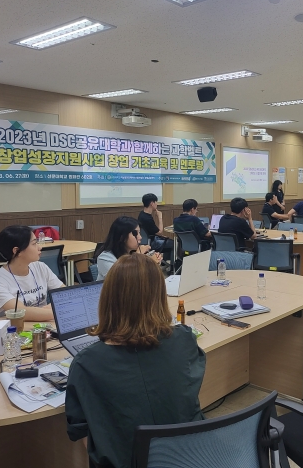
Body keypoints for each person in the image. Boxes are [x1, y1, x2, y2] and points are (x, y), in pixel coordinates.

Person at [65, 253, 205, 468]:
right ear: (159, 295)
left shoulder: (87, 362)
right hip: (187, 457)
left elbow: (83, 433)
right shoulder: (184, 339)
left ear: (107, 298)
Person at [0, 226, 64, 321]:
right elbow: (20, 313)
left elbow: (65, 294)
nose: (40, 247)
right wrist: (60, 309)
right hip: (16, 331)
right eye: (34, 243)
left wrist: (40, 311)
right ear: (17, 251)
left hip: (46, 326)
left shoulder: (40, 267)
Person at [97, 216, 162, 281]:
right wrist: (138, 257)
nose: (140, 237)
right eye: (135, 233)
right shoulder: (105, 258)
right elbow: (124, 281)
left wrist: (153, 263)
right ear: (122, 237)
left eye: (139, 233)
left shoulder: (131, 253)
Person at [138, 193, 174, 262]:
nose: (156, 204)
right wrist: (160, 217)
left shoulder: (142, 214)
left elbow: (151, 231)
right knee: (173, 244)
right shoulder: (147, 218)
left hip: (147, 240)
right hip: (151, 242)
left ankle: (164, 263)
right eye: (156, 202)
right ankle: (171, 267)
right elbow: (160, 232)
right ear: (152, 203)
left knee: (168, 240)